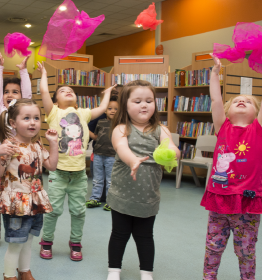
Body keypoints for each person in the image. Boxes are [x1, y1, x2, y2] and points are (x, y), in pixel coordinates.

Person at [201, 45, 262, 280]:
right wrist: (215, 73)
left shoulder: (259, 129)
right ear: (228, 110)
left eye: (248, 100)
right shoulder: (222, 127)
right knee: (213, 247)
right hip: (219, 199)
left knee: (245, 251)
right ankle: (208, 277)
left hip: (248, 200)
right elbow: (215, 98)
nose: (242, 100)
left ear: (258, 113)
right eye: (237, 100)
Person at [36, 61, 114, 261]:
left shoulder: (84, 114)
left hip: (79, 174)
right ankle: (46, 241)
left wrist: (107, 93)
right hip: (58, 172)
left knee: (78, 211)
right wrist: (43, 74)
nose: (67, 91)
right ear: (55, 101)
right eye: (62, 91)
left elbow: (104, 107)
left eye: (70, 89)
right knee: (53, 210)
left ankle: (76, 242)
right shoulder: (53, 113)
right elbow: (44, 93)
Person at [107, 80, 179, 280]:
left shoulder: (160, 129)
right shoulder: (121, 128)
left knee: (145, 236)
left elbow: (173, 147)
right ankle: (114, 270)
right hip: (122, 195)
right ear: (125, 105)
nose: (144, 105)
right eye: (137, 101)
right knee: (119, 234)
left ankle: (146, 273)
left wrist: (173, 152)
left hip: (148, 196)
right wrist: (133, 161)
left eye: (149, 100)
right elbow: (122, 149)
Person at [0, 98, 58, 280]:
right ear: (13, 122)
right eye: (26, 118)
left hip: (35, 201)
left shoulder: (37, 145)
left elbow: (51, 165)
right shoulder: (9, 147)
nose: (33, 122)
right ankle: (9, 276)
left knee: (28, 241)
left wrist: (53, 143)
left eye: (36, 118)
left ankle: (24, 271)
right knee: (16, 244)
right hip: (16, 204)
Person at [0, 49, 32, 242]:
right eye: (7, 92)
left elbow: (28, 94)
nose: (9, 94)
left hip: (20, 161)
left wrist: (23, 71)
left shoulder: (23, 110)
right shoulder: (0, 108)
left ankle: (17, 225)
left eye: (15, 91)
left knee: (18, 192)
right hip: (1, 160)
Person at [86, 95, 119, 210]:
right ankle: (95, 198)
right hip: (98, 155)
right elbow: (95, 137)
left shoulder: (120, 124)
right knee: (97, 179)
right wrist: (85, 128)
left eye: (116, 109)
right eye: (110, 108)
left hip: (112, 156)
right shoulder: (100, 122)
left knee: (110, 180)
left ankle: (110, 201)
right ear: (104, 109)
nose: (113, 111)